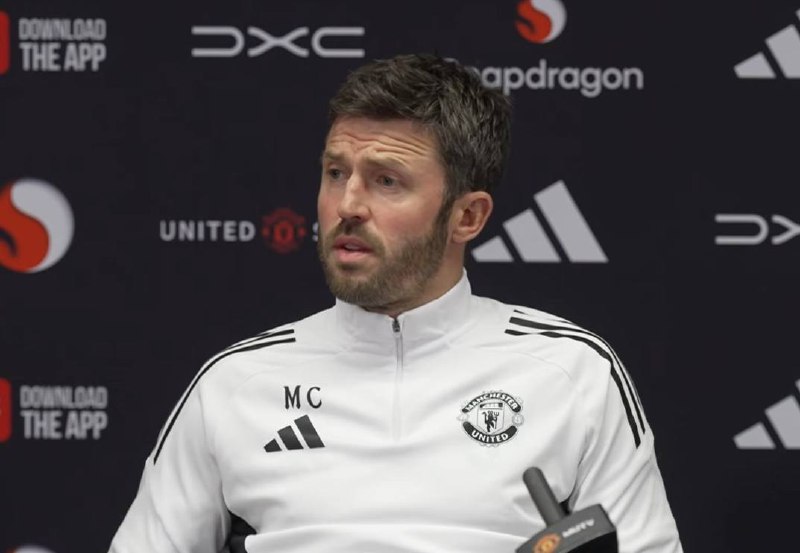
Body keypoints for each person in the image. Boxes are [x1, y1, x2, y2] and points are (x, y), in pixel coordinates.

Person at [109, 53, 683, 553]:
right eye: (336, 173)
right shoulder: (235, 382)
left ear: (468, 216)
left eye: (387, 181)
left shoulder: (574, 372)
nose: (347, 205)